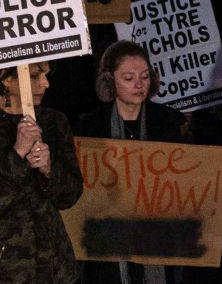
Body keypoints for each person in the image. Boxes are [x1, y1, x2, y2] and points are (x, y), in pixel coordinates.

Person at [76, 40, 191, 283]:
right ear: (110, 81)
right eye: (128, 78)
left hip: (158, 236)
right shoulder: (89, 127)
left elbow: (188, 178)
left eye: (145, 76)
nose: (139, 84)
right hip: (108, 241)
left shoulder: (170, 122)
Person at [0, 62, 84, 283]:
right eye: (35, 76)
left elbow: (70, 195)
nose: (45, 84)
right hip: (9, 271)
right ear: (6, 79)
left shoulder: (54, 121)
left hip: (57, 267)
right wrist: (18, 153)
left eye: (46, 75)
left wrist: (49, 170)